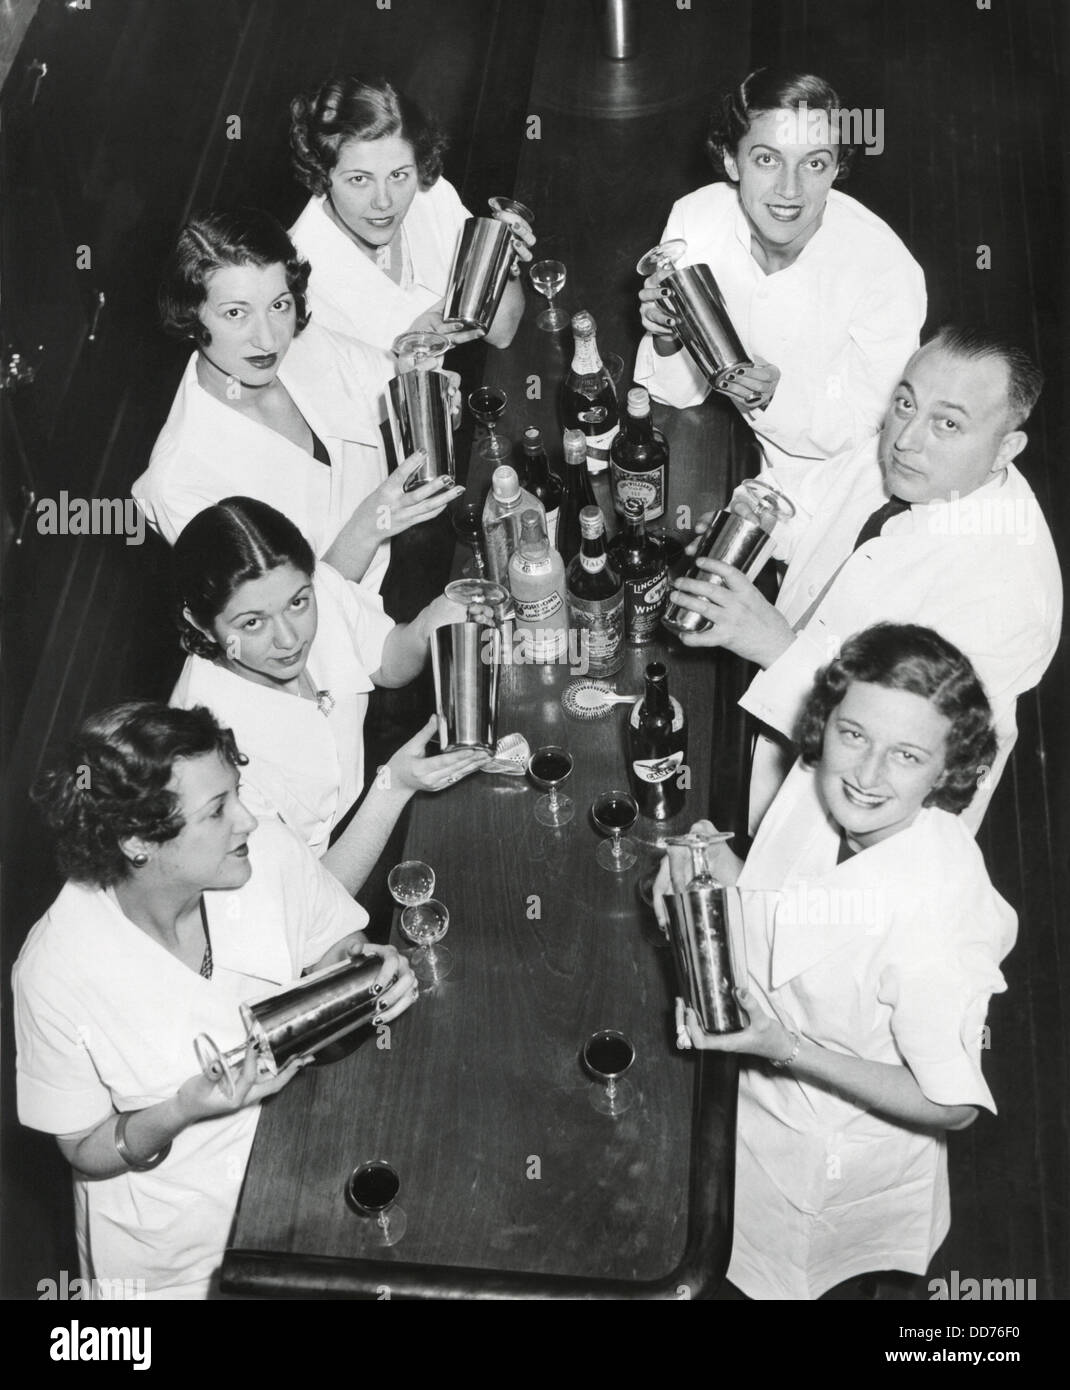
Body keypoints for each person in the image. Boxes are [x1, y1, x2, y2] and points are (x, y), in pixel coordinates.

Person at [654, 625, 1017, 1301]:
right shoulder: (819, 778)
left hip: (827, 1153)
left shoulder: (939, 912)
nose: (866, 775)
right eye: (854, 736)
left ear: (949, 768)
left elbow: (952, 1106)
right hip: (739, 1105)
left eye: (907, 755)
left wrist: (787, 1049)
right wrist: (713, 865)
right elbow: (787, 893)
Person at [12, 702, 417, 1299]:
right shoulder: (55, 970)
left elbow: (335, 943)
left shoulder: (267, 854)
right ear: (136, 841)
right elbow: (84, 1147)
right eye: (217, 810)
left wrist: (365, 972)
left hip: (303, 1178)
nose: (247, 820)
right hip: (171, 1252)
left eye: (236, 792)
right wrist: (185, 1108)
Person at [669, 325, 1062, 832]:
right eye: (905, 403)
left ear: (1006, 448)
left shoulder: (1006, 597)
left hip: (857, 821)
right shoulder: (915, 458)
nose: (905, 440)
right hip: (771, 727)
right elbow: (804, 504)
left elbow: (896, 759)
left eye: (948, 424)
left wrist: (776, 648)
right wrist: (750, 525)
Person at [132, 208, 463, 592]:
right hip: (347, 635)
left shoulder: (306, 344)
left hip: (419, 553)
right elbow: (288, 623)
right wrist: (371, 524)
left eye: (279, 305)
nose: (269, 339)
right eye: (236, 313)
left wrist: (431, 396)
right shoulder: (180, 481)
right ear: (191, 316)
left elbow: (399, 386)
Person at [171, 496, 488, 879]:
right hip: (329, 881)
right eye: (252, 624)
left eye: (298, 603)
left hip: (372, 801)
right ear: (202, 625)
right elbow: (309, 912)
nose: (289, 639)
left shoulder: (313, 585)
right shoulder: (200, 754)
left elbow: (385, 662)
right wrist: (394, 785)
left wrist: (427, 624)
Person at [635, 69, 926, 484]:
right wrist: (668, 335)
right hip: (718, 437)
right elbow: (675, 393)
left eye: (814, 163)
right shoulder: (695, 220)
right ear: (732, 160)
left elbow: (874, 431)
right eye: (767, 159)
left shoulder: (887, 274)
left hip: (826, 477)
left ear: (837, 168)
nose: (789, 190)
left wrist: (774, 400)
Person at [289, 74, 534, 352]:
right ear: (322, 173)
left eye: (398, 174)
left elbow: (502, 332)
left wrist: (498, 259)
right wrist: (412, 348)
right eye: (359, 179)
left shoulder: (429, 195)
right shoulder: (295, 274)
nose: (384, 201)